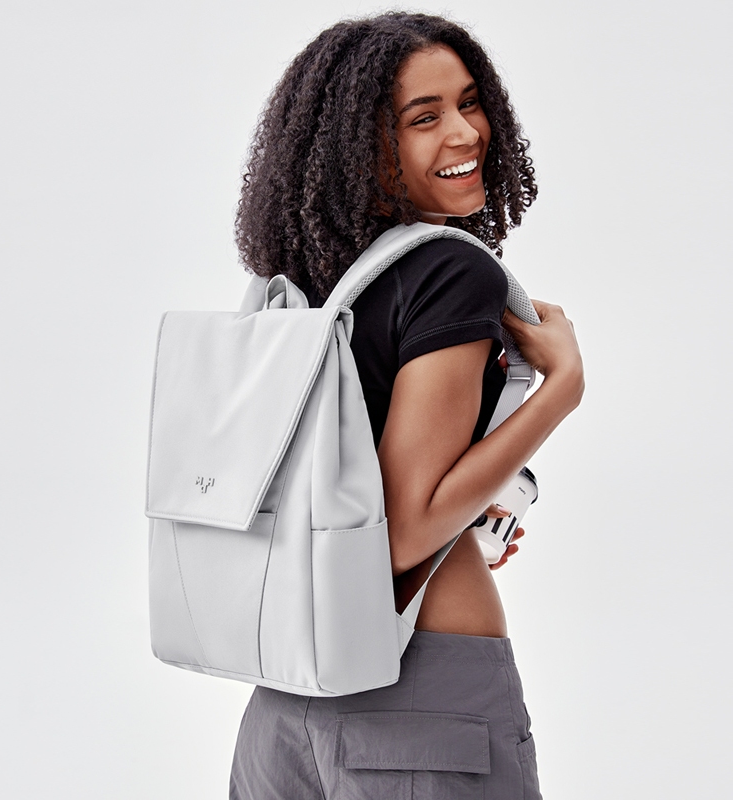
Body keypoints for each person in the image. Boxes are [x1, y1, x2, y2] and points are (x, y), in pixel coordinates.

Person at [229, 12, 584, 799]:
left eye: (469, 102)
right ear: (360, 146)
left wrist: (476, 509)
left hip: (284, 701)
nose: (465, 133)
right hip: (421, 698)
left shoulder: (304, 287)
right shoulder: (452, 273)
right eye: (423, 118)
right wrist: (562, 390)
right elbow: (407, 532)